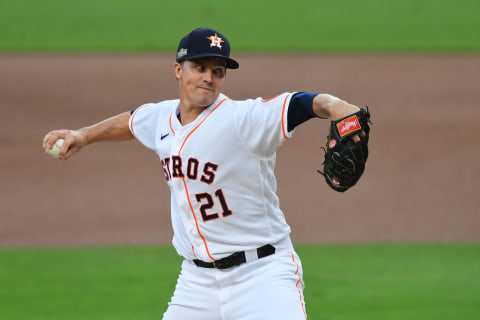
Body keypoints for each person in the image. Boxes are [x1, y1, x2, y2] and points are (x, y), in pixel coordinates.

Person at [43, 27, 364, 320]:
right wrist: (83, 135)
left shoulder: (242, 119)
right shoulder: (160, 118)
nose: (208, 77)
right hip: (197, 283)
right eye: (199, 68)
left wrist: (336, 107)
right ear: (178, 70)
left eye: (217, 71)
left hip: (263, 275)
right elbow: (130, 121)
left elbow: (302, 104)